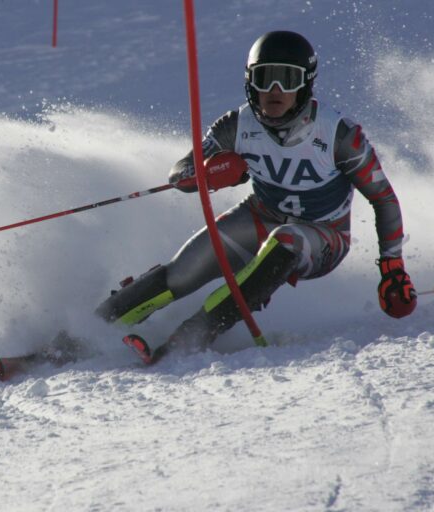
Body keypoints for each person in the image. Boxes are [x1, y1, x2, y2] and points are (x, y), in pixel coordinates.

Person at [95, 31, 417, 361]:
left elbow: (384, 198)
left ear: (305, 83)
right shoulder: (237, 126)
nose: (275, 91)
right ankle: (87, 332)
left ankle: (188, 339)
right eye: (266, 78)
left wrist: (392, 268)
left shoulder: (339, 135)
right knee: (182, 273)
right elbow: (180, 172)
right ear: (251, 82)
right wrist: (209, 171)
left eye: (287, 79)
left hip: (324, 235)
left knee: (285, 241)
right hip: (261, 215)